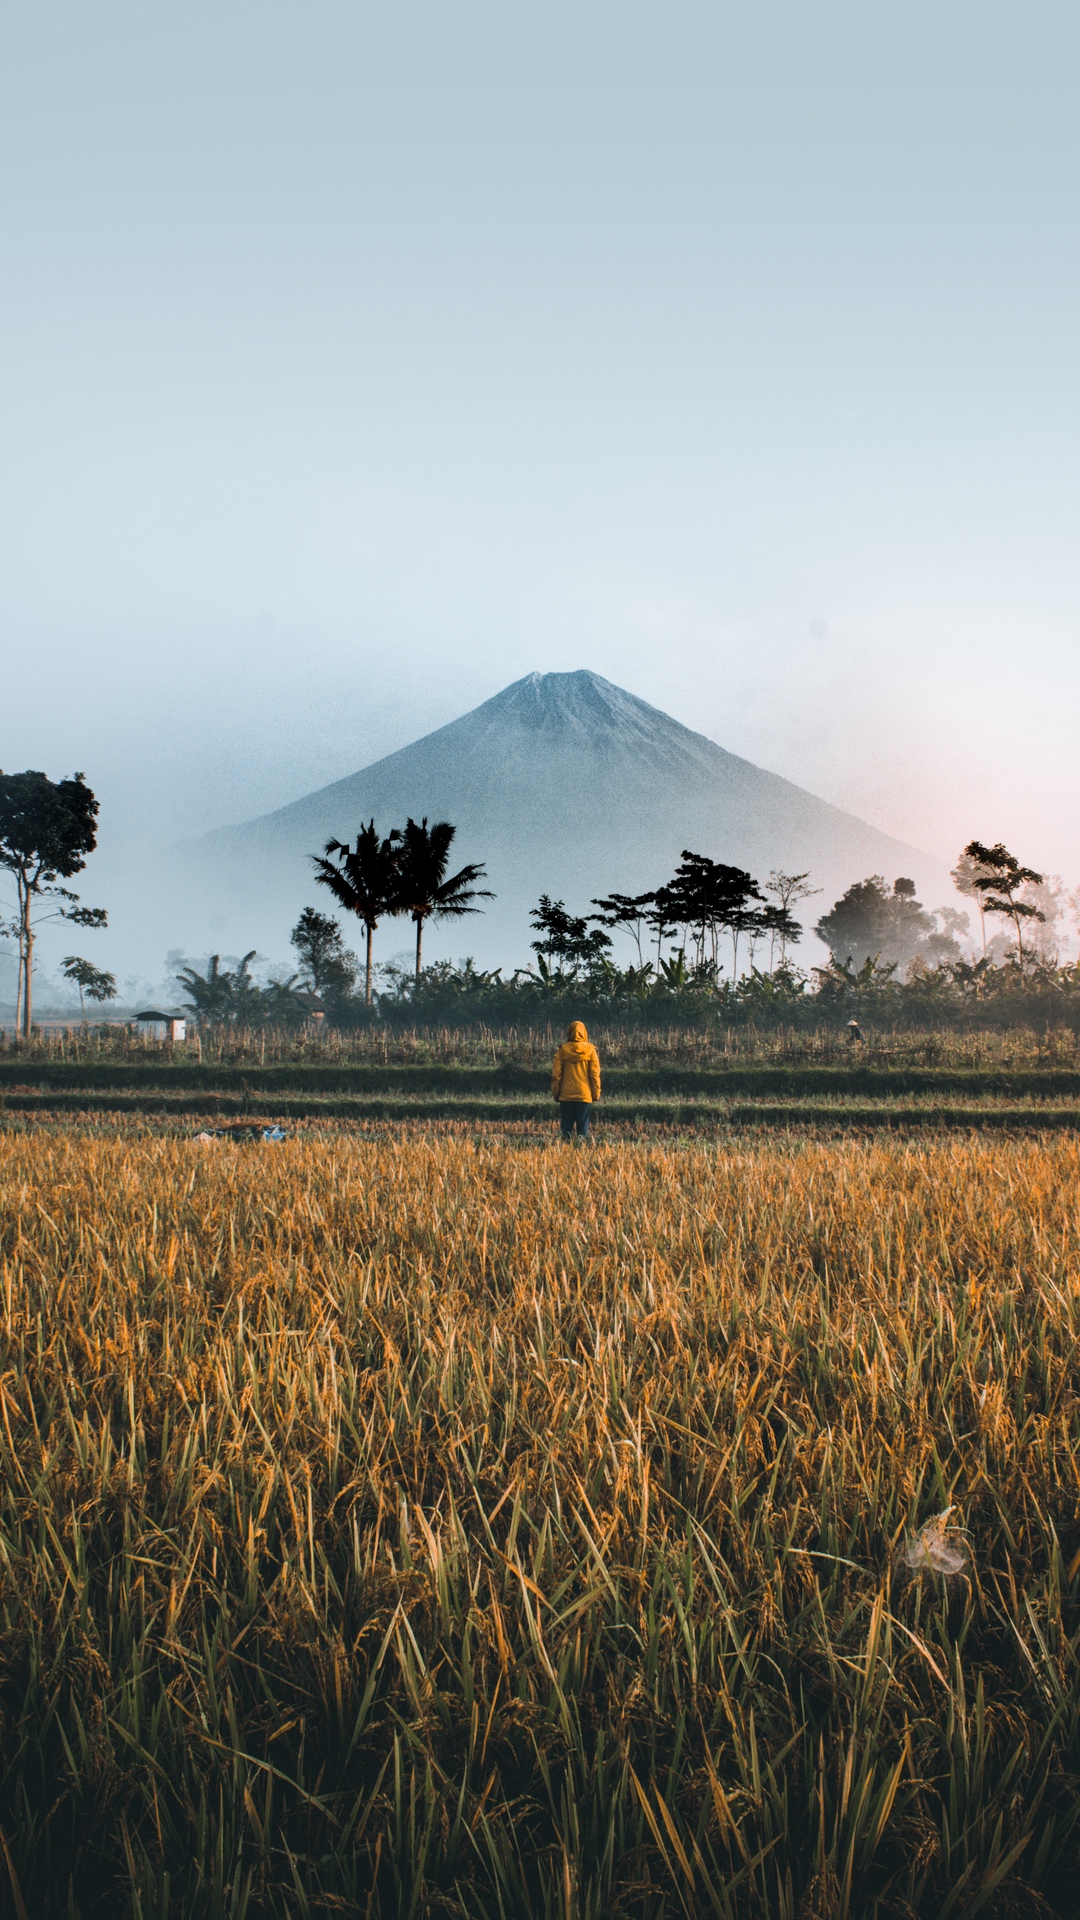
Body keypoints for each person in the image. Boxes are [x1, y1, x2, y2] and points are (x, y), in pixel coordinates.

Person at [551, 1020, 601, 1139]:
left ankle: (564, 1152)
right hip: (584, 1095)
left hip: (566, 1095)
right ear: (584, 1033)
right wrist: (596, 1093)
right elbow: (594, 1074)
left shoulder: (562, 1050)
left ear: (569, 1032)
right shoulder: (590, 1050)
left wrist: (556, 1093)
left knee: (566, 1129)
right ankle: (581, 1152)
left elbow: (556, 1074)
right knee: (582, 1129)